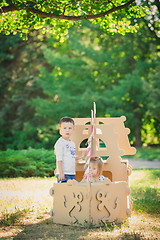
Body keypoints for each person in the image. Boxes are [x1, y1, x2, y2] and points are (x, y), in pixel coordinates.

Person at [54, 116, 84, 183]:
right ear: (60, 129)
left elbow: (71, 157)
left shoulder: (72, 143)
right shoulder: (60, 143)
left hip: (72, 173)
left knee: (72, 191)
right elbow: (59, 159)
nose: (67, 130)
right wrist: (61, 173)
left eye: (70, 128)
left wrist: (80, 157)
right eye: (64, 128)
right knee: (65, 191)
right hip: (64, 173)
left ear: (73, 129)